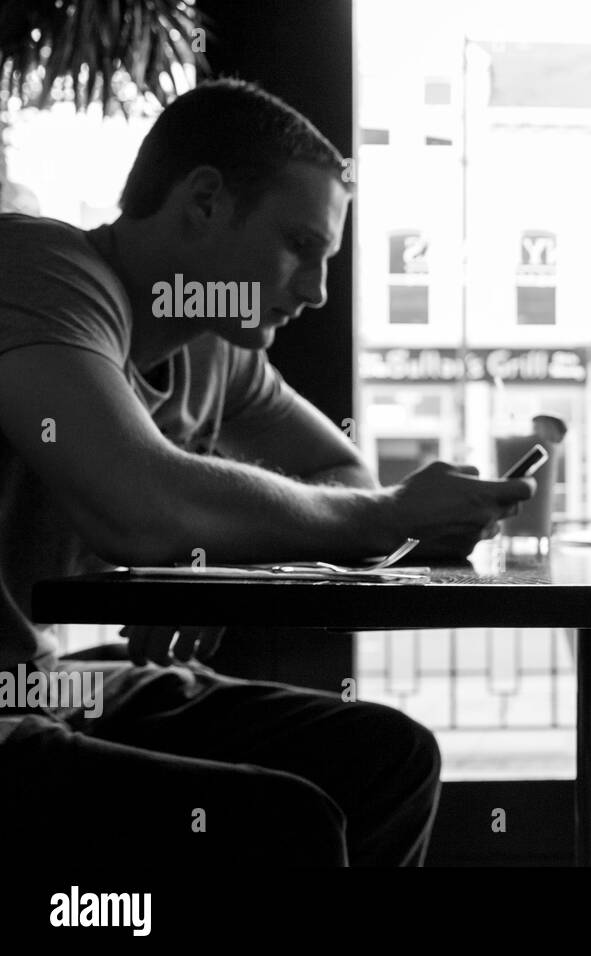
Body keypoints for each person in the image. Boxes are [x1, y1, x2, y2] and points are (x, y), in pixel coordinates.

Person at [0, 79, 533, 866]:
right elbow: (140, 509)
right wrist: (391, 515)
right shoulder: (41, 270)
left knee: (389, 757)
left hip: (39, 686)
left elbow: (340, 473)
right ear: (205, 201)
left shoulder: (214, 348)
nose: (316, 292)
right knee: (283, 823)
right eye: (301, 247)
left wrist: (207, 558)